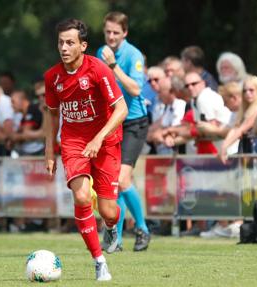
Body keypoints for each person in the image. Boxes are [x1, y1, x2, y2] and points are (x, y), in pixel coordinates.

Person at [44, 18, 128, 281]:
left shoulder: (98, 70)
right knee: (81, 197)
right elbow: (52, 115)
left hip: (106, 142)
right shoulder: (52, 77)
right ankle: (99, 261)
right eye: (61, 42)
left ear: (83, 46)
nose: (64, 47)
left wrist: (99, 139)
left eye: (70, 43)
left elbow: (121, 109)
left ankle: (112, 227)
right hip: (73, 142)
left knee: (108, 211)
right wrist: (49, 150)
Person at [96, 11, 151, 252]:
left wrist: (114, 66)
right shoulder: (101, 52)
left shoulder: (133, 54)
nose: (111, 37)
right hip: (112, 123)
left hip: (134, 122)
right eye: (107, 32)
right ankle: (115, 238)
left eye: (116, 33)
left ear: (125, 33)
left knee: (121, 179)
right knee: (112, 183)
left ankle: (143, 229)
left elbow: (136, 89)